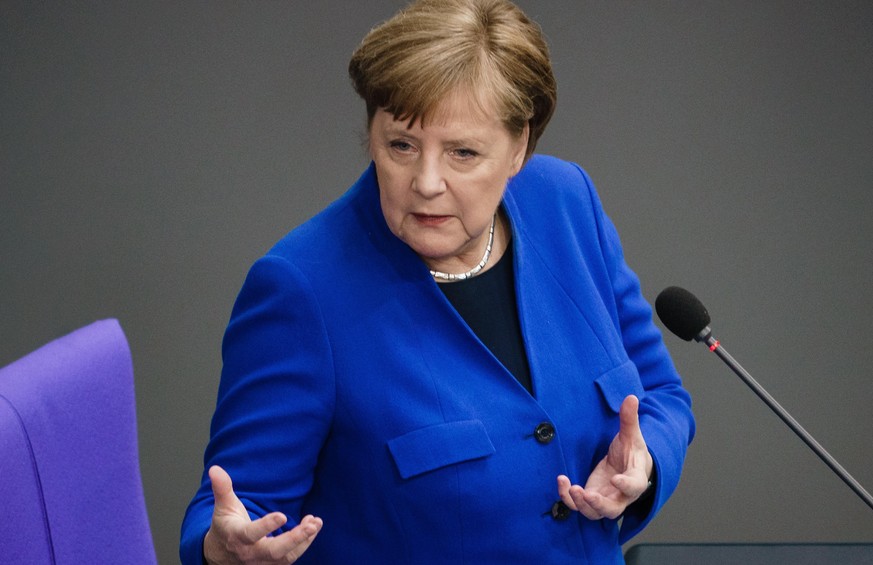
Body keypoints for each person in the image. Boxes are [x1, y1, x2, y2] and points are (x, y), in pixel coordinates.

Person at [180, 0, 695, 563]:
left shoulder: (566, 204)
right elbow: (237, 503)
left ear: (519, 146)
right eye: (401, 145)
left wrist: (644, 466)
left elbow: (661, 398)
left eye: (463, 153)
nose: (425, 182)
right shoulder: (301, 290)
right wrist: (220, 549)